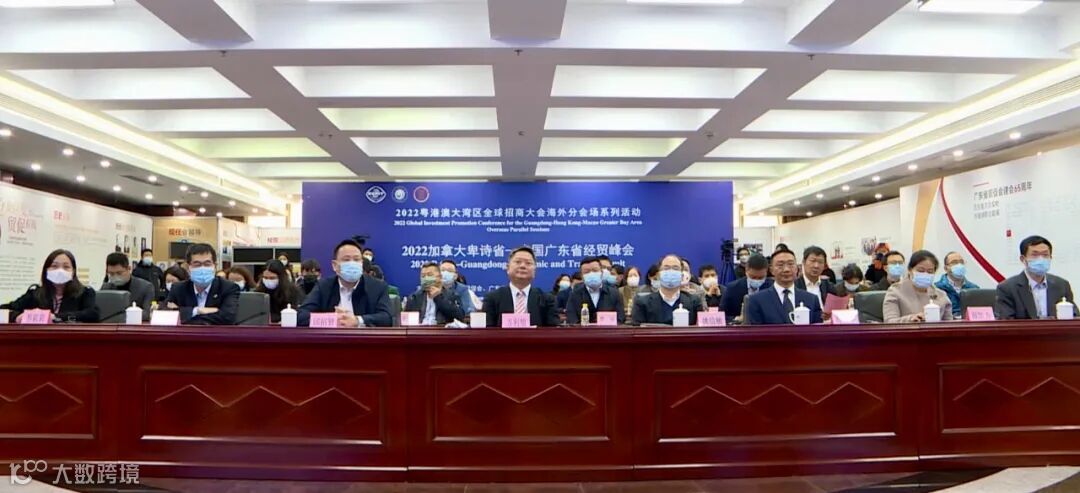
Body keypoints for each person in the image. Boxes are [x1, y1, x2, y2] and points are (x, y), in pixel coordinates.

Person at [298, 240, 393, 327]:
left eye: (356, 260)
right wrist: (332, 319)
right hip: (332, 339)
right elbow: (301, 316)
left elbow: (386, 318)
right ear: (335, 265)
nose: (352, 264)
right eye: (346, 260)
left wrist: (358, 320)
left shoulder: (378, 287)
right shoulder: (323, 286)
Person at [2, 249, 99, 323]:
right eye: (54, 266)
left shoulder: (85, 293)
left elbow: (92, 315)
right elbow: (4, 310)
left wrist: (56, 317)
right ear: (46, 270)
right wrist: (16, 317)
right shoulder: (35, 294)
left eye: (66, 267)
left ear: (73, 272)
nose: (60, 270)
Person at [995, 235, 1076, 320]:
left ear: (1050, 258)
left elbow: (1074, 316)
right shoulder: (1007, 288)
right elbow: (1006, 321)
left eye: (1045, 255)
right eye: (1035, 255)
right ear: (1023, 259)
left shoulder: (1062, 285)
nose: (1041, 259)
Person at [164, 243, 240, 325]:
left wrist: (184, 314)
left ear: (215, 266)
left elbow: (228, 317)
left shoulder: (228, 287)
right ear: (188, 267)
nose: (202, 268)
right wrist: (197, 310)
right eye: (197, 264)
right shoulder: (178, 288)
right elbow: (164, 313)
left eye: (207, 264)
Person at [482, 246, 558, 327]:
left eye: (528, 263)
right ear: (507, 268)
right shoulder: (492, 298)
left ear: (534, 271)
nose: (522, 266)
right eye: (518, 262)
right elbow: (487, 330)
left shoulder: (547, 300)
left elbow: (553, 330)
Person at [745, 249, 823, 325]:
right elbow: (755, 332)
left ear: (797, 268)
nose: (786, 269)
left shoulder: (812, 299)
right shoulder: (756, 300)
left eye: (790, 264)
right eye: (780, 265)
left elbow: (818, 331)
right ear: (771, 270)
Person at [631, 254, 704, 325]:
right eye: (666, 268)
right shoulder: (642, 303)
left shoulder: (694, 302)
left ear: (682, 276)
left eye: (675, 268)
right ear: (659, 275)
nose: (671, 272)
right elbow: (636, 330)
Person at [883, 250, 952, 323]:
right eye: (921, 270)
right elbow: (889, 322)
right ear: (910, 270)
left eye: (930, 271)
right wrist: (910, 319)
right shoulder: (895, 292)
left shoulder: (941, 295)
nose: (925, 274)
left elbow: (950, 325)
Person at [566, 256, 626, 325]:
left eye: (595, 270)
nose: (591, 274)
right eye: (587, 272)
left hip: (608, 331)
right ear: (582, 276)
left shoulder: (614, 293)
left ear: (601, 272)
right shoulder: (575, 294)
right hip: (582, 331)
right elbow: (572, 320)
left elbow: (620, 318)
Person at [720, 253, 772, 324]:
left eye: (760, 278)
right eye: (753, 277)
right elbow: (722, 315)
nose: (756, 280)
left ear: (766, 272)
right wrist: (737, 319)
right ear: (746, 270)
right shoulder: (732, 288)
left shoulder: (772, 287)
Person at [101, 252, 154, 321]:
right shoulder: (106, 288)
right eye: (111, 274)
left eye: (119, 273)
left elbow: (147, 314)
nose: (115, 276)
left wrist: (118, 317)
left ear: (129, 269)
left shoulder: (146, 287)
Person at [255, 259, 305, 323]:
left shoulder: (293, 292)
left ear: (281, 277)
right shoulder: (258, 292)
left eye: (272, 278)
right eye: (265, 278)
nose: (268, 280)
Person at [935, 251, 979, 318]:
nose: (959, 265)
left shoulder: (974, 289)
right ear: (946, 268)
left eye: (961, 262)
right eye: (954, 262)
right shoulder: (937, 289)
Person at [795, 246, 834, 311]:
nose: (816, 266)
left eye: (820, 262)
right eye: (812, 261)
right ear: (804, 262)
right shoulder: (795, 286)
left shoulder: (829, 286)